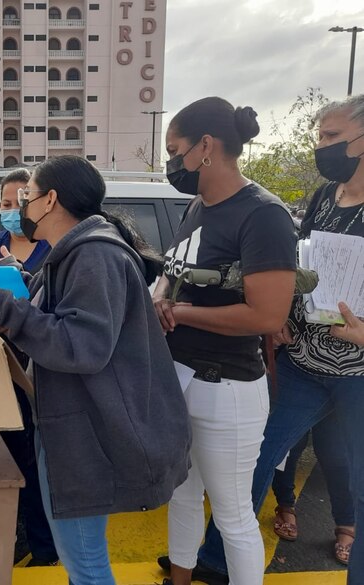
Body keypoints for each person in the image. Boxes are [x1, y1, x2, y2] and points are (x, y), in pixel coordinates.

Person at [0, 155, 192, 585]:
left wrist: (4, 308)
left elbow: (82, 346)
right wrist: (9, 293)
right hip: (75, 425)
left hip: (86, 432)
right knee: (83, 558)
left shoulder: (93, 256)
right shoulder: (72, 252)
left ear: (50, 200)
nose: (21, 207)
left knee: (86, 565)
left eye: (26, 196)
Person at [186, 95, 364, 585]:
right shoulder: (326, 197)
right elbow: (295, 267)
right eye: (320, 136)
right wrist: (281, 311)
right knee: (255, 461)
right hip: (303, 363)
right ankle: (217, 563)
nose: (321, 146)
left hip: (358, 373)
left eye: (332, 136)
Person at [152, 97, 297, 585]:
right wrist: (161, 294)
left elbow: (267, 313)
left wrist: (180, 312)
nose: (171, 163)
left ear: (205, 147)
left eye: (175, 151)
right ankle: (179, 578)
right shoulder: (197, 206)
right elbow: (175, 274)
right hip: (181, 376)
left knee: (233, 515)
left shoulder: (263, 215)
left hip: (228, 387)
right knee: (182, 494)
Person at [0, 168, 58, 566]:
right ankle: (9, 532)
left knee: (35, 459)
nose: (11, 211)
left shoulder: (53, 249)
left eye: (18, 203)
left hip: (32, 368)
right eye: (4, 204)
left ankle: (43, 546)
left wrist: (13, 283)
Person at [270, 413, 354, 565]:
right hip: (296, 391)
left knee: (336, 453)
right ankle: (285, 506)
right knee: (288, 447)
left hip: (335, 393)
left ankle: (346, 522)